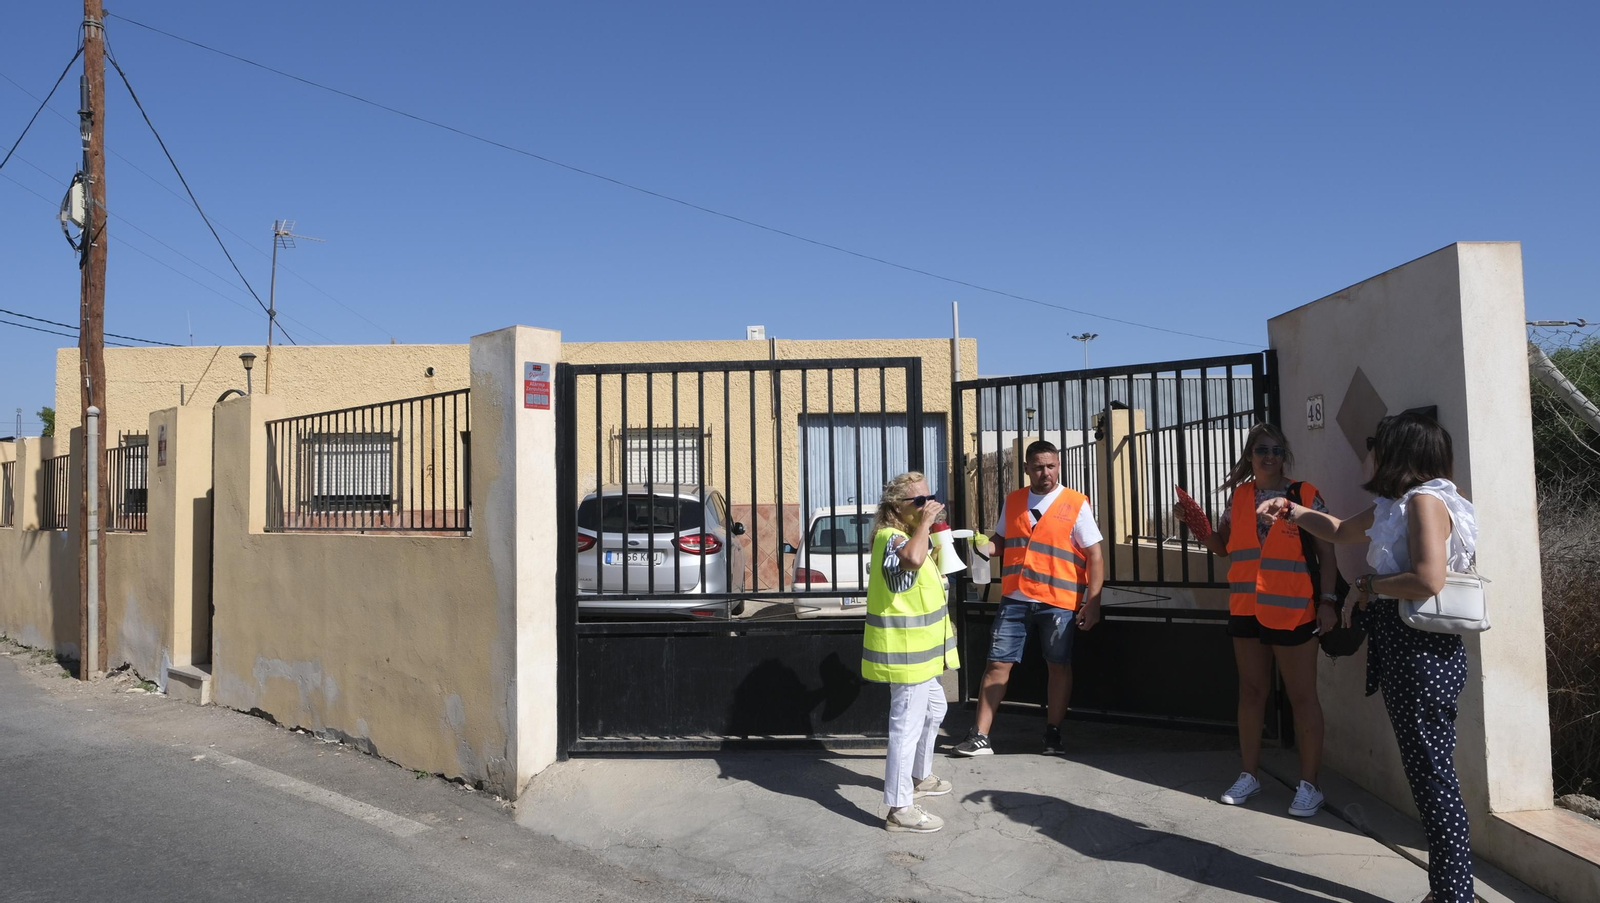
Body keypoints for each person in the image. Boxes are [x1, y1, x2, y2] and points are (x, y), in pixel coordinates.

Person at [1259, 413, 1477, 903]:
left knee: (1432, 777)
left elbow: (1427, 579)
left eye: (1379, 444)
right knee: (1429, 773)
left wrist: (1364, 586)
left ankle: (1453, 895)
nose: (1372, 452)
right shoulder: (1398, 504)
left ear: (1399, 451)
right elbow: (1336, 529)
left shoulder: (1424, 502)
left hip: (1421, 652)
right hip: (1408, 647)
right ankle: (1448, 891)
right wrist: (1292, 511)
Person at [1187, 423, 1335, 818]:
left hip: (1294, 609)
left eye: (1276, 449)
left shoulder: (1304, 495)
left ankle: (1310, 785)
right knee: (1251, 694)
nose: (1269, 456)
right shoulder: (1239, 496)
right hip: (1246, 608)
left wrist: (1329, 600)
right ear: (1249, 455)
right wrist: (1197, 525)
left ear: (1284, 454)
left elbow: (1327, 551)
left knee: (1303, 698)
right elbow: (1222, 548)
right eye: (1261, 449)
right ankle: (1248, 775)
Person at [952, 440, 1103, 757]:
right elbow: (1001, 541)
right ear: (1026, 469)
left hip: (1059, 602)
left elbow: (1095, 555)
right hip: (1015, 599)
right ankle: (980, 736)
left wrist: (1093, 601)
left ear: (1058, 465)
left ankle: (1053, 734)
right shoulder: (1015, 500)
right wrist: (984, 545)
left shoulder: (1075, 504)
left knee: (1058, 666)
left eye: (1050, 466)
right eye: (1038, 467)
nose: (1045, 472)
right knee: (996, 664)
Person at [863, 471, 960, 834]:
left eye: (928, 498)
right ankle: (900, 808)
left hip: (921, 656)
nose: (926, 505)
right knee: (904, 728)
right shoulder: (892, 538)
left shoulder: (905, 536)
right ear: (896, 508)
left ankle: (919, 776)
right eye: (918, 501)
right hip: (905, 657)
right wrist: (928, 524)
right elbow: (911, 562)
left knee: (936, 708)